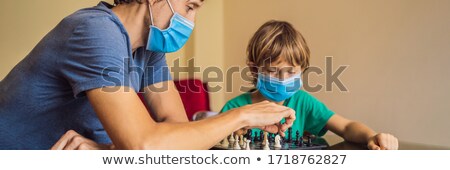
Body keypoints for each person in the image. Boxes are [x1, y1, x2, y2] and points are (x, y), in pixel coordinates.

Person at [0, 0, 295, 150]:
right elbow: (145, 144)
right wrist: (242, 116)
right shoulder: (96, 31)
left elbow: (177, 130)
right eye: (190, 7)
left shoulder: (148, 50)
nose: (191, 21)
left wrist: (106, 150)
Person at [220, 20, 399, 150]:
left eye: (290, 72)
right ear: (254, 69)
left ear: (302, 70)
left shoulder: (303, 102)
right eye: (273, 70)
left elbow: (346, 127)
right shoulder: (235, 108)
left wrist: (371, 136)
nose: (282, 79)